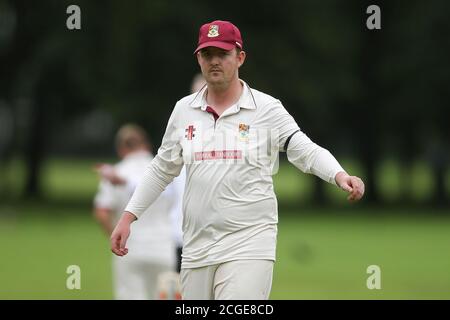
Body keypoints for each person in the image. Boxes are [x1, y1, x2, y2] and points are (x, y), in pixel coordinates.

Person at [110, 20, 365, 300]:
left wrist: (339, 175)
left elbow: (304, 149)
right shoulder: (184, 110)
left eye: (223, 54)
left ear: (240, 57)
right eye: (207, 55)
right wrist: (127, 217)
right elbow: (161, 169)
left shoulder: (266, 108)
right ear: (198, 58)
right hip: (197, 245)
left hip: (250, 241)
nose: (214, 61)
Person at [93, 124, 184, 299]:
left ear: (121, 149)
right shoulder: (167, 171)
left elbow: (102, 211)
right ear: (146, 144)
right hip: (163, 246)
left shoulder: (117, 171)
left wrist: (113, 236)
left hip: (129, 247)